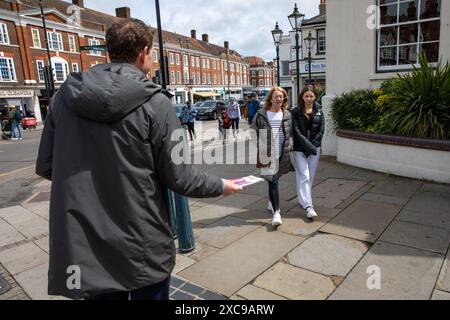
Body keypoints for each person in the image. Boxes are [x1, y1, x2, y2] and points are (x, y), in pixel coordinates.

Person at [35, 18, 242, 301]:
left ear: (109, 51)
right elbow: (180, 176)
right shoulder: (158, 103)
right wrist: (221, 185)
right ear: (144, 52)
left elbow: (46, 165)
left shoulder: (62, 99)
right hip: (142, 241)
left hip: (87, 243)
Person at [252, 87, 293, 227]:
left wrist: (290, 145)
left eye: (281, 96)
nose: (279, 99)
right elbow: (253, 131)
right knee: (273, 181)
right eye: (276, 96)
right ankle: (277, 212)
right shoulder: (262, 114)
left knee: (274, 180)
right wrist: (260, 146)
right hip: (267, 153)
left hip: (282, 152)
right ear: (270, 98)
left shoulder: (287, 114)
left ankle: (271, 202)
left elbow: (290, 132)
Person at [291, 86, 325, 220]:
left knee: (309, 177)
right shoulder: (295, 111)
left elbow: (321, 129)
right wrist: (308, 146)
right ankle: (309, 206)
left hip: (314, 148)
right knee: (304, 175)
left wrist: (313, 146)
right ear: (302, 97)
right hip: (300, 149)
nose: (309, 99)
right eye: (306, 96)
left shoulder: (319, 110)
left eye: (311, 96)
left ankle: (302, 199)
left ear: (315, 97)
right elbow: (296, 131)